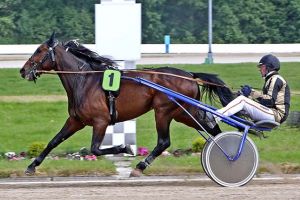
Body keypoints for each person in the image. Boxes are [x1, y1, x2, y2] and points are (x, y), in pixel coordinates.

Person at [215, 54, 290, 124]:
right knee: (242, 102)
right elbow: (264, 100)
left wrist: (251, 92)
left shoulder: (275, 79)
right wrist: (247, 95)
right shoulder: (271, 79)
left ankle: (216, 116)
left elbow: (270, 101)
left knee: (242, 100)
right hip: (272, 113)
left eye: (261, 67)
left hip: (276, 114)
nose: (260, 70)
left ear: (268, 67)